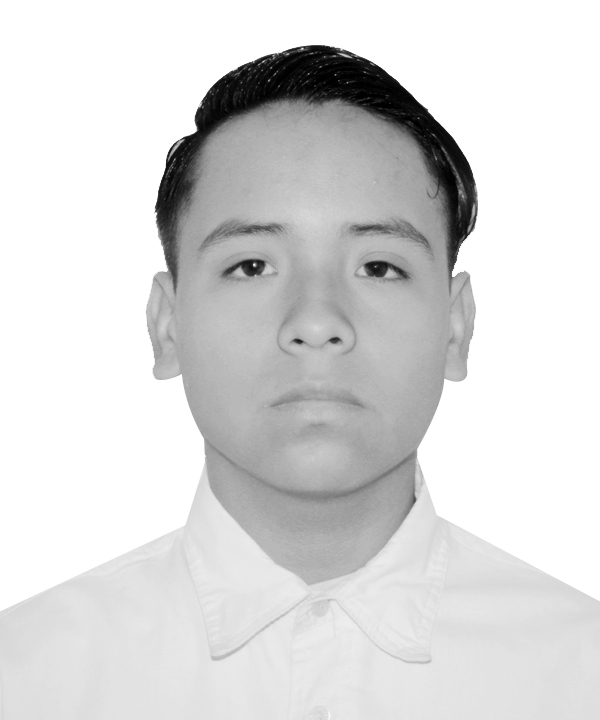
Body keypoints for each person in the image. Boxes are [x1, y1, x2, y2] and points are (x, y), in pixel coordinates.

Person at [0, 45, 598, 719]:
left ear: (455, 328)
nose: (316, 323)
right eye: (252, 266)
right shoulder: (24, 679)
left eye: (378, 267)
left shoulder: (582, 675)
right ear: (167, 325)